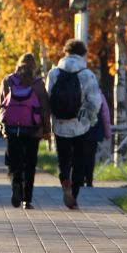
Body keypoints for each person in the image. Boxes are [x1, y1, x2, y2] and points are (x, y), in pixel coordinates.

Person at [46, 39, 103, 209]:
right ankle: (75, 193)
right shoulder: (87, 74)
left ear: (66, 52)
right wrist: (91, 120)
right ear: (83, 53)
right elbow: (94, 102)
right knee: (80, 160)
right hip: (81, 125)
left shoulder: (54, 73)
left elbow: (48, 97)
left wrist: (49, 121)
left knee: (63, 158)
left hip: (60, 124)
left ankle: (64, 178)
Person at [0, 53, 51, 209]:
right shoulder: (38, 84)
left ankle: (16, 185)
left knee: (15, 162)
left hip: (13, 128)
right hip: (33, 130)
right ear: (34, 67)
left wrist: (2, 126)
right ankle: (27, 199)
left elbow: (1, 105)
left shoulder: (8, 81)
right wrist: (47, 130)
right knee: (30, 163)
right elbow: (44, 109)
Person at [82, 91, 112, 189]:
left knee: (79, 155)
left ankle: (79, 179)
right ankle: (89, 180)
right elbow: (105, 115)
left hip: (79, 130)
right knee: (91, 156)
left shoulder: (78, 91)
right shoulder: (99, 95)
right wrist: (107, 132)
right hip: (93, 130)